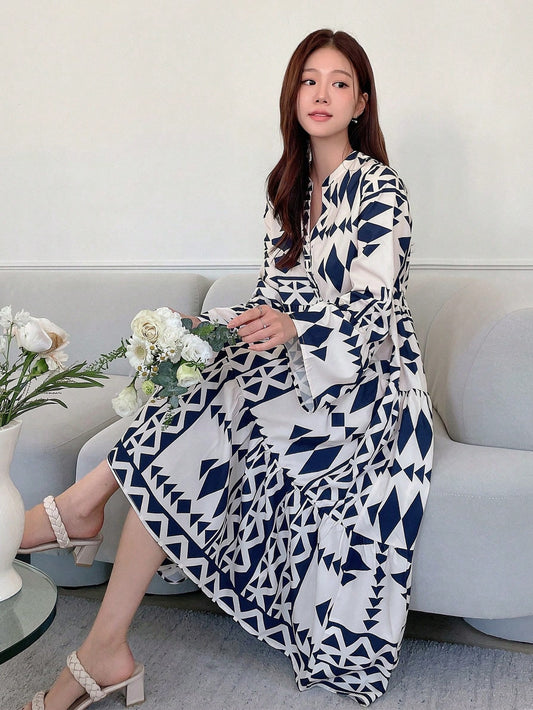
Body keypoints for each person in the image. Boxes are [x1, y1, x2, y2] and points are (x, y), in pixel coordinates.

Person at [21, 28, 433, 709]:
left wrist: (294, 326)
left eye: (339, 83)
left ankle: (81, 513)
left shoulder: (379, 188)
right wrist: (216, 327)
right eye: (309, 80)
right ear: (292, 95)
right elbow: (275, 298)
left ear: (361, 102)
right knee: (198, 394)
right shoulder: (286, 189)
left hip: (368, 386)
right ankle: (102, 641)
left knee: (207, 398)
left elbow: (374, 310)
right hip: (296, 373)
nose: (322, 94)